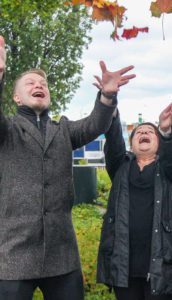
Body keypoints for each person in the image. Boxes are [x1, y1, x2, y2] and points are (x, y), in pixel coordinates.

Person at [0, 35, 135, 300]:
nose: (39, 85)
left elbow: (96, 124)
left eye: (43, 84)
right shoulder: (7, 129)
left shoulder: (63, 130)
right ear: (16, 97)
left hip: (62, 255)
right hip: (12, 253)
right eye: (31, 83)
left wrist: (107, 96)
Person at [95, 92, 172, 299]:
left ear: (159, 144)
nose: (144, 133)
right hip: (124, 263)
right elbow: (113, 142)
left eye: (151, 131)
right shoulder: (120, 167)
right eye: (139, 132)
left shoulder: (167, 169)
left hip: (161, 262)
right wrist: (110, 102)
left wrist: (165, 130)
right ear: (131, 144)